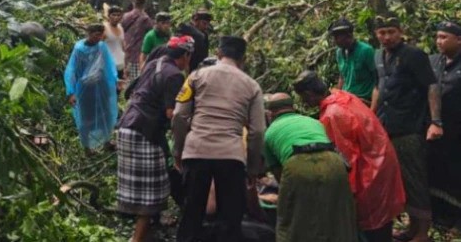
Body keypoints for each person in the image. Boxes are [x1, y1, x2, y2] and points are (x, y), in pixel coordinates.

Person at [172, 36, 266, 242]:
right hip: (231, 157)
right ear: (243, 58)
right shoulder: (252, 86)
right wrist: (252, 169)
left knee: (191, 215)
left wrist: (178, 151)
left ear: (219, 53)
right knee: (230, 221)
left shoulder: (196, 76)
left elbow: (179, 116)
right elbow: (257, 131)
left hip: (196, 151)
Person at [293, 71, 405, 242]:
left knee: (371, 227)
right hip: (382, 162)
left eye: (303, 98)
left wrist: (346, 196)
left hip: (369, 173)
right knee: (382, 222)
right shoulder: (343, 95)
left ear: (308, 95)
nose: (303, 103)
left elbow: (345, 160)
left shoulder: (333, 115)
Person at [116, 36, 195, 242]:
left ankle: (146, 232)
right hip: (144, 131)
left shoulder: (154, 63)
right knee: (150, 194)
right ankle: (137, 239)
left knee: (145, 187)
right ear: (186, 55)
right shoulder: (174, 75)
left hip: (127, 125)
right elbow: (172, 114)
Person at [371, 15, 442, 242]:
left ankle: (422, 232)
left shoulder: (414, 55)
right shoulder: (378, 56)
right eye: (382, 33)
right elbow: (378, 87)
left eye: (391, 32)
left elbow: (431, 86)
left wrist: (435, 121)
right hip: (387, 126)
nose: (387, 37)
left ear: (400, 32)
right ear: (376, 35)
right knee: (400, 180)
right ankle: (412, 227)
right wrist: (371, 118)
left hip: (410, 128)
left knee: (415, 179)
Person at [263, 93, 358, 242]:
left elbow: (281, 178)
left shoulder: (268, 133)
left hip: (297, 163)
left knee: (291, 220)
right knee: (339, 218)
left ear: (270, 113)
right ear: (293, 108)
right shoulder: (313, 121)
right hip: (333, 161)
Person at [428, 21, 461, 231]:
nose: (439, 41)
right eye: (438, 37)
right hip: (437, 130)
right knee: (438, 174)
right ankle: (441, 217)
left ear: (458, 40)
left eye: (444, 37)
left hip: (458, 130)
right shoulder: (432, 62)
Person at [64, 24, 118, 150]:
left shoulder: (101, 47)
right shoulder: (79, 49)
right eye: (95, 35)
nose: (98, 38)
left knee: (106, 114)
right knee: (86, 118)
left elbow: (108, 65)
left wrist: (114, 80)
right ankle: (87, 147)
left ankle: (106, 142)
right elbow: (72, 70)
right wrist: (71, 92)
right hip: (85, 90)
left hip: (102, 86)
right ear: (88, 33)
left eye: (100, 35)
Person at [328, 18, 377, 103]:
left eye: (337, 37)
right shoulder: (339, 52)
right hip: (347, 99)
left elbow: (378, 79)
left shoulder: (366, 51)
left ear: (348, 35)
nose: (335, 40)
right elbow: (342, 76)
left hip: (364, 100)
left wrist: (373, 107)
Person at [121, 0, 153, 83]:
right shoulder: (146, 19)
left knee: (126, 82)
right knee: (137, 83)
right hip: (138, 56)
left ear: (133, 3)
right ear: (144, 4)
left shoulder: (125, 16)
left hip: (125, 54)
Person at [103, 5, 126, 88]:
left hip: (120, 65)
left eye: (118, 15)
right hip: (108, 65)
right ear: (109, 16)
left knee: (118, 90)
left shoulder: (121, 28)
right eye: (113, 15)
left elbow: (123, 45)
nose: (116, 17)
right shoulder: (104, 28)